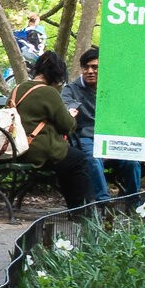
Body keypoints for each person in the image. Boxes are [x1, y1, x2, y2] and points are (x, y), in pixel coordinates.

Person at [0, 52, 88, 204]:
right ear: (56, 74)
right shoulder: (48, 92)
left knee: (68, 160)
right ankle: (81, 209)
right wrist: (71, 115)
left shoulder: (18, 89)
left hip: (14, 148)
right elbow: (67, 126)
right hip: (35, 151)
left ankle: (76, 207)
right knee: (78, 160)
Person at [59, 47, 107, 201]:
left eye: (95, 67)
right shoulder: (70, 90)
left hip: (107, 137)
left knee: (131, 162)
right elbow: (67, 109)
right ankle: (103, 203)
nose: (90, 71)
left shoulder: (110, 90)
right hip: (83, 137)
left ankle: (134, 204)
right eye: (86, 68)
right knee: (93, 158)